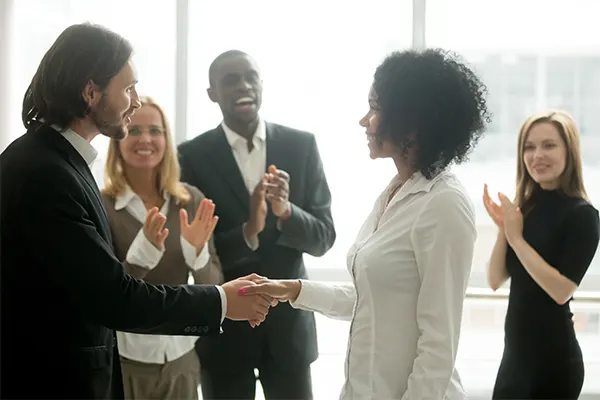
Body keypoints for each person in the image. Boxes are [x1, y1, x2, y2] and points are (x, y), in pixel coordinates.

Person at [0, 23, 271, 400]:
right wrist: (222, 301)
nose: (136, 100)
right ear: (91, 92)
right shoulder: (47, 174)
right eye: (128, 88)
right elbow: (115, 297)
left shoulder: (54, 162)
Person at [238, 48, 490, 399]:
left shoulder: (444, 203)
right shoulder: (394, 193)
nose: (364, 121)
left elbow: (439, 344)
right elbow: (373, 299)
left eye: (375, 108)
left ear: (411, 123)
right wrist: (294, 290)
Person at [178, 50, 336, 399]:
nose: (243, 86)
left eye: (251, 77)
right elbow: (195, 249)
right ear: (212, 93)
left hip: (289, 330)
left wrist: (285, 212)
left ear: (262, 84)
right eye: (230, 80)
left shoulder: (301, 145)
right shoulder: (189, 156)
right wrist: (249, 229)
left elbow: (324, 238)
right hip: (223, 330)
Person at [102, 95, 223, 399]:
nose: (146, 139)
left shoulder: (190, 199)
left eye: (155, 131)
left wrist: (197, 255)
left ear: (167, 140)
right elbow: (105, 295)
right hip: (126, 360)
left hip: (181, 357)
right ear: (118, 138)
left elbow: (213, 285)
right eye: (134, 129)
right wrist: (141, 257)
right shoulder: (102, 205)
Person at [484, 110, 600, 399]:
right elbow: (495, 279)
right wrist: (503, 229)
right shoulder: (526, 211)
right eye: (529, 147)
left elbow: (561, 290)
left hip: (554, 363)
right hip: (514, 361)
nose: (538, 155)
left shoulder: (583, 215)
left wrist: (516, 238)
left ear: (569, 151)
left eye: (549, 145)